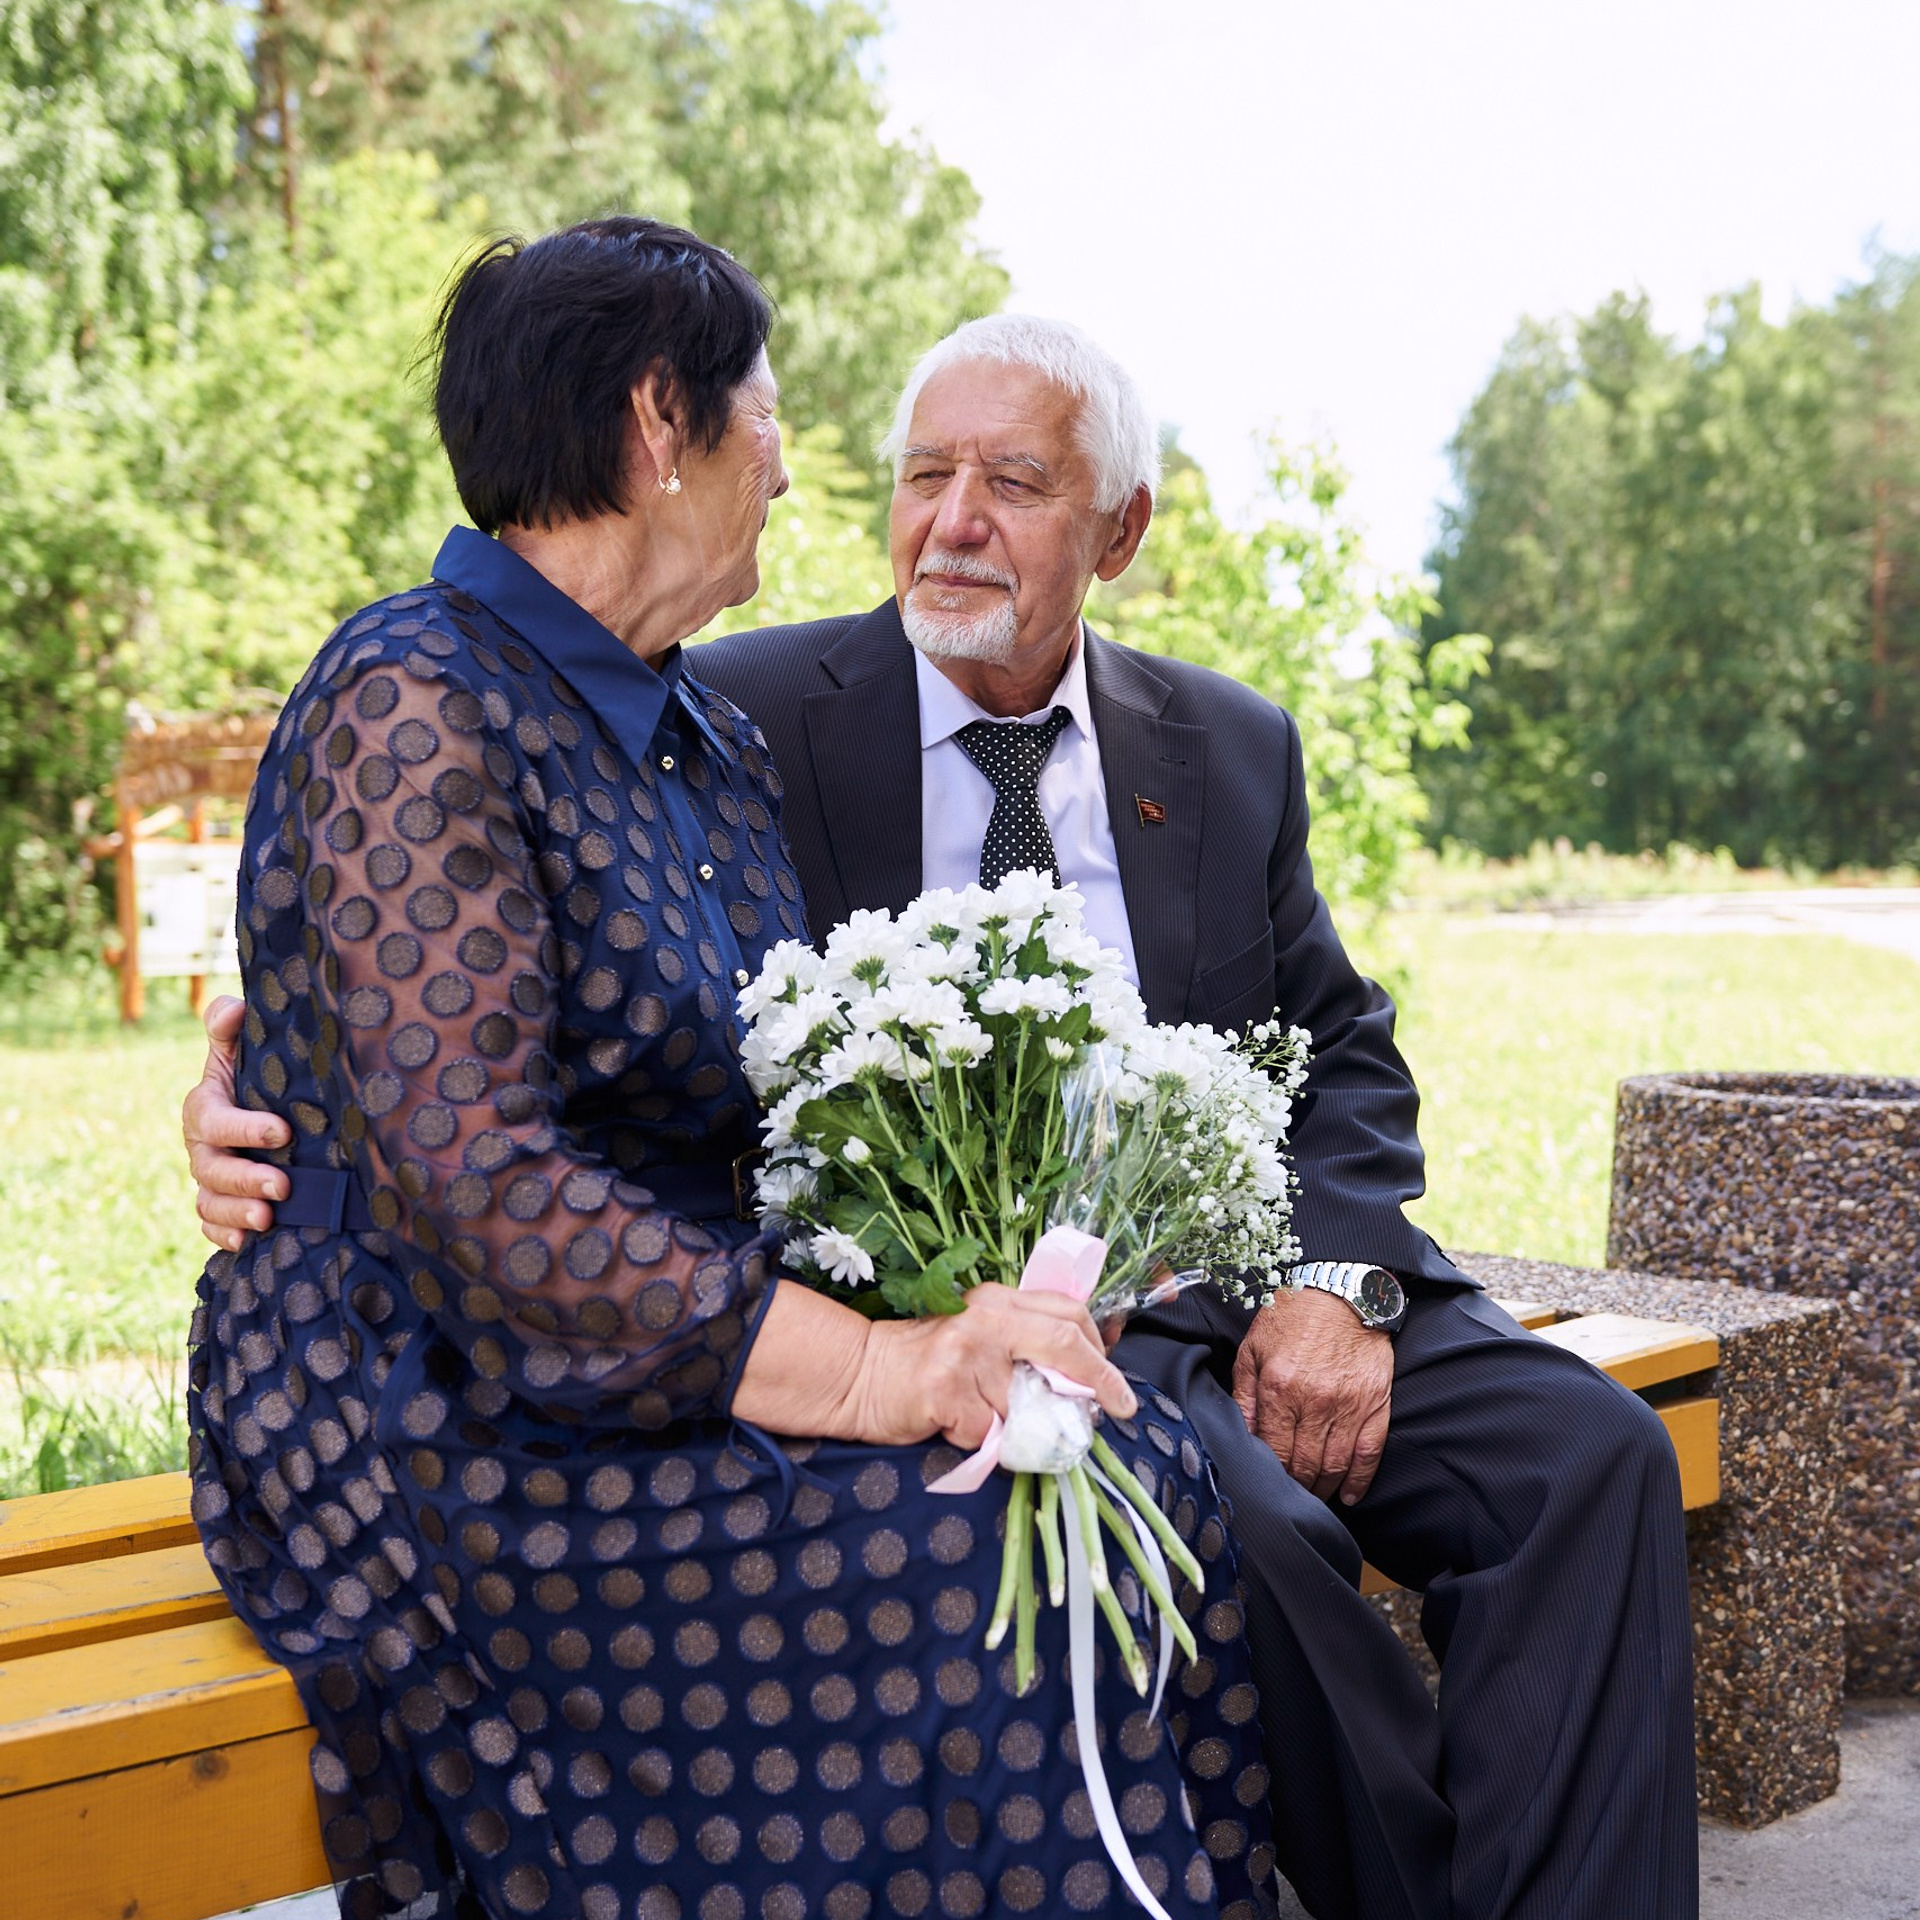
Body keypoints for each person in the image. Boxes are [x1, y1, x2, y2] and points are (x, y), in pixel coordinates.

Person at [187, 309, 1700, 1919]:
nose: (954, 519)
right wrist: (244, 1086)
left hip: (1253, 1278)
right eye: (925, 475)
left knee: (1595, 1460)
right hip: (979, 1320)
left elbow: (1333, 1044)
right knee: (1235, 1544)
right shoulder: (735, 712)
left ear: (1119, 529)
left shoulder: (1230, 742)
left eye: (1015, 482)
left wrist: (1335, 1286)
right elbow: (475, 993)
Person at [183, 227, 1275, 1920]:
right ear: (657, 424)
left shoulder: (699, 731)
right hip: (439, 1391)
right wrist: (881, 1374)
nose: (785, 462)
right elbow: (478, 1193)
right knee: (949, 1563)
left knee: (1122, 1471)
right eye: (763, 409)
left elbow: (787, 1096)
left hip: (684, 1340)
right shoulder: (411, 701)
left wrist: (978, 1306)